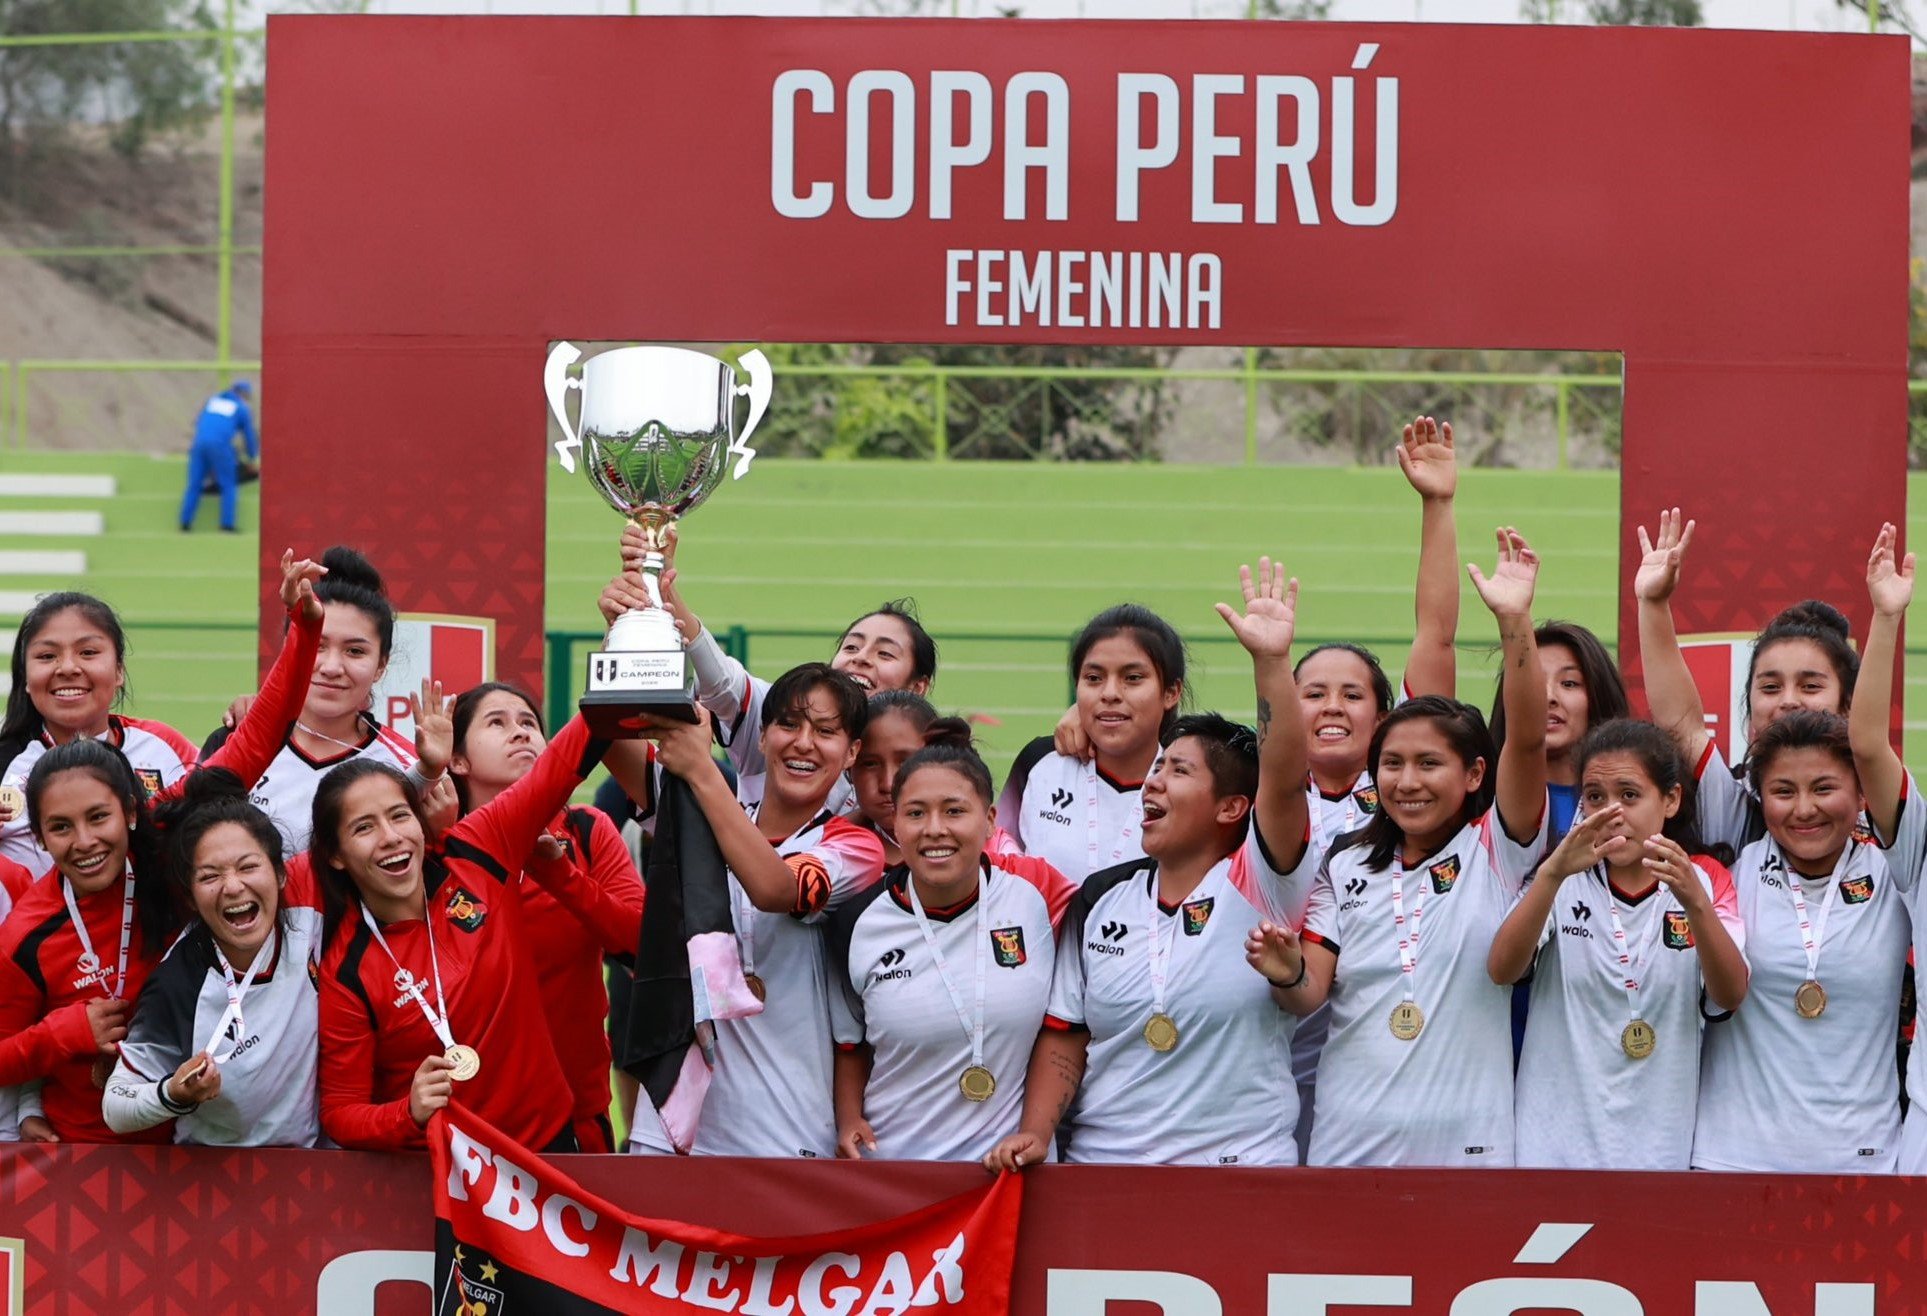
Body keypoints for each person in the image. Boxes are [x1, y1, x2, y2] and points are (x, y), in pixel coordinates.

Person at [985, 559, 1318, 1169]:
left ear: (1232, 807)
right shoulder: (1102, 898)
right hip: (1103, 1165)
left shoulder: (1263, 880)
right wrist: (1037, 1133)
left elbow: (1286, 778)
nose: (1153, 785)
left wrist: (1271, 663)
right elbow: (1067, 1034)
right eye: (1156, 772)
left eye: (1177, 770)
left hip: (1236, 1172)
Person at [1248, 528, 1549, 1168]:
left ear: (1474, 775)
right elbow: (1310, 995)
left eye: (1428, 765)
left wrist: (1515, 624)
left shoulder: (1496, 847)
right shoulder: (1347, 863)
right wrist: (1287, 975)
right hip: (1348, 1142)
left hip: (1468, 1146)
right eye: (1392, 765)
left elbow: (1525, 740)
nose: (1406, 782)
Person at [0, 553, 325, 1143]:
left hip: (198, 1142)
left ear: (130, 812)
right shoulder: (26, 932)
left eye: (99, 817)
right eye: (62, 828)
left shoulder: (166, 848)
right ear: (39, 838)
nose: (86, 842)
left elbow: (252, 745)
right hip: (79, 1155)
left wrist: (303, 631)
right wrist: (60, 1035)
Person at [1695, 527, 1925, 1173]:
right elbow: (1684, 729)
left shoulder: (1897, 863)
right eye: (1783, 792)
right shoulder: (1733, 852)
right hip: (1727, 1167)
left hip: (1863, 1170)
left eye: (1825, 787)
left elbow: (1871, 747)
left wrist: (1884, 617)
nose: (1803, 808)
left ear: (1859, 792)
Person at [607, 664, 886, 1158]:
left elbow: (775, 889)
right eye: (788, 724)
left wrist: (699, 769)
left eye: (826, 732)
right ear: (762, 735)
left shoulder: (855, 846)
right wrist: (630, 643)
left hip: (783, 1133)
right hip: (674, 1127)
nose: (803, 743)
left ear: (852, 752)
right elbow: (608, 734)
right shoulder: (701, 811)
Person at [312, 700, 612, 1154]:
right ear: (335, 855)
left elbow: (563, 763)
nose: (391, 837)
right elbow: (340, 1111)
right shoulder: (347, 971)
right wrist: (405, 1112)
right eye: (364, 828)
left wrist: (629, 654)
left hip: (548, 1154)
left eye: (399, 816)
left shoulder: (476, 854)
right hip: (445, 1181)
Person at [1490, 718, 1748, 1170]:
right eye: (1595, 797)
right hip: (1551, 1149)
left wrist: (1695, 904)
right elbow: (1502, 970)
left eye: (1629, 795)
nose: (1611, 812)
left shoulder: (1704, 879)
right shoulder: (1559, 877)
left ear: (1669, 800)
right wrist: (1550, 874)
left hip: (1658, 1151)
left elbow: (1730, 995)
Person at [829, 720, 1074, 1163]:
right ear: (896, 824)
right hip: (895, 1169)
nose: (934, 829)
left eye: (955, 811)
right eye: (916, 813)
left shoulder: (1036, 894)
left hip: (1007, 1173)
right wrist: (848, 1119)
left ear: (990, 821)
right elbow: (849, 1044)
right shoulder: (857, 921)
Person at [600, 534, 937, 815]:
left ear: (918, 686)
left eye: (885, 653)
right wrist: (654, 597)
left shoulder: (932, 771)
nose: (861, 659)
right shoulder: (785, 712)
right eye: (851, 647)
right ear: (763, 737)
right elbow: (721, 681)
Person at [446, 681, 645, 1152]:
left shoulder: (587, 829)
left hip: (579, 1118)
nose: (519, 733)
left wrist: (559, 874)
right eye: (496, 723)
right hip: (465, 1122)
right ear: (458, 760)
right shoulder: (435, 842)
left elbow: (641, 943)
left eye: (529, 723)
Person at [102, 775, 326, 1146]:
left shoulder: (311, 916)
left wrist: (427, 777)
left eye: (248, 866)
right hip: (214, 1178)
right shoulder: (179, 982)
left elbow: (361, 838)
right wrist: (173, 1094)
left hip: (308, 1170)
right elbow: (115, 1105)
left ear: (281, 873)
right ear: (190, 897)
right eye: (210, 876)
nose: (233, 886)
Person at [1636, 508, 1859, 851]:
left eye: (1810, 686)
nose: (1788, 700)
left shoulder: (1881, 804)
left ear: (1847, 704)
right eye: (1770, 687)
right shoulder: (1734, 802)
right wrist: (1653, 604)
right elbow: (1679, 726)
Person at [204, 546, 426, 855]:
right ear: (293, 647)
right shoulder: (233, 743)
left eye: (355, 651)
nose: (332, 667)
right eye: (318, 646)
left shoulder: (409, 767)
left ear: (381, 666)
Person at [0, 593, 200, 876]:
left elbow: (228, 814)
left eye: (88, 653)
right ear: (26, 679)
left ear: (119, 670)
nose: (68, 667)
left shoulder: (164, 746)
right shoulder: (6, 765)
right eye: (47, 656)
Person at [996, 604, 1185, 884]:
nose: (1109, 693)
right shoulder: (1038, 762)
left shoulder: (1193, 783)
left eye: (1132, 678)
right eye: (1093, 679)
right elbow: (995, 864)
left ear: (1171, 692)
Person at [848, 690, 938, 867]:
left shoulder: (984, 843)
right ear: (849, 765)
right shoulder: (831, 848)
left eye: (906, 763)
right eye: (870, 764)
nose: (888, 784)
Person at [179, 380, 258, 534]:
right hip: (221, 446)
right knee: (228, 484)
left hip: (199, 444)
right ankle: (227, 525)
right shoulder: (241, 408)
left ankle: (185, 523)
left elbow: (200, 423)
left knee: (194, 484)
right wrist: (252, 456)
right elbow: (249, 436)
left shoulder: (212, 401)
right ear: (244, 395)